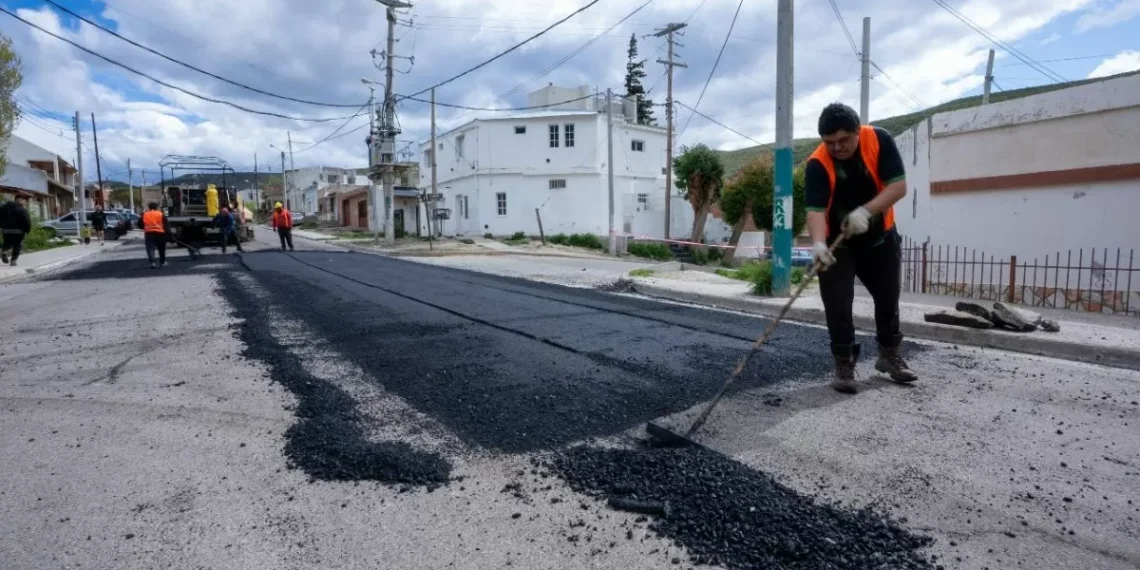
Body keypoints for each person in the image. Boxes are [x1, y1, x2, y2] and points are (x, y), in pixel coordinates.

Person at [804, 102, 917, 394]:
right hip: (837, 244)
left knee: (888, 298)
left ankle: (889, 355)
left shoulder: (879, 140)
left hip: (880, 237)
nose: (837, 147)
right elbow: (815, 210)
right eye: (830, 142)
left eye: (844, 140)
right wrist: (817, 244)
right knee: (838, 303)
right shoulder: (817, 163)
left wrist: (866, 212)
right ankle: (844, 362)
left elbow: (898, 187)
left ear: (858, 131)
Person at [0, 195, 32, 267]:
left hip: (6, 230)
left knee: (7, 242)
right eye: (24, 200)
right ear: (20, 200)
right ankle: (13, 260)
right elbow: (27, 221)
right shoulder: (21, 209)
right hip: (19, 231)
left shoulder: (3, 208)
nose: (25, 202)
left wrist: (1, 227)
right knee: (18, 245)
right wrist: (27, 230)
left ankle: (4, 251)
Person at [141, 202, 170, 269]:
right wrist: (168, 233)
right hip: (160, 233)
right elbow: (166, 224)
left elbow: (140, 224)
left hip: (149, 234)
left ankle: (152, 263)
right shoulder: (160, 214)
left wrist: (145, 227)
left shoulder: (145, 214)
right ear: (156, 207)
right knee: (161, 249)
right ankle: (162, 262)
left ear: (149, 207)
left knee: (150, 249)